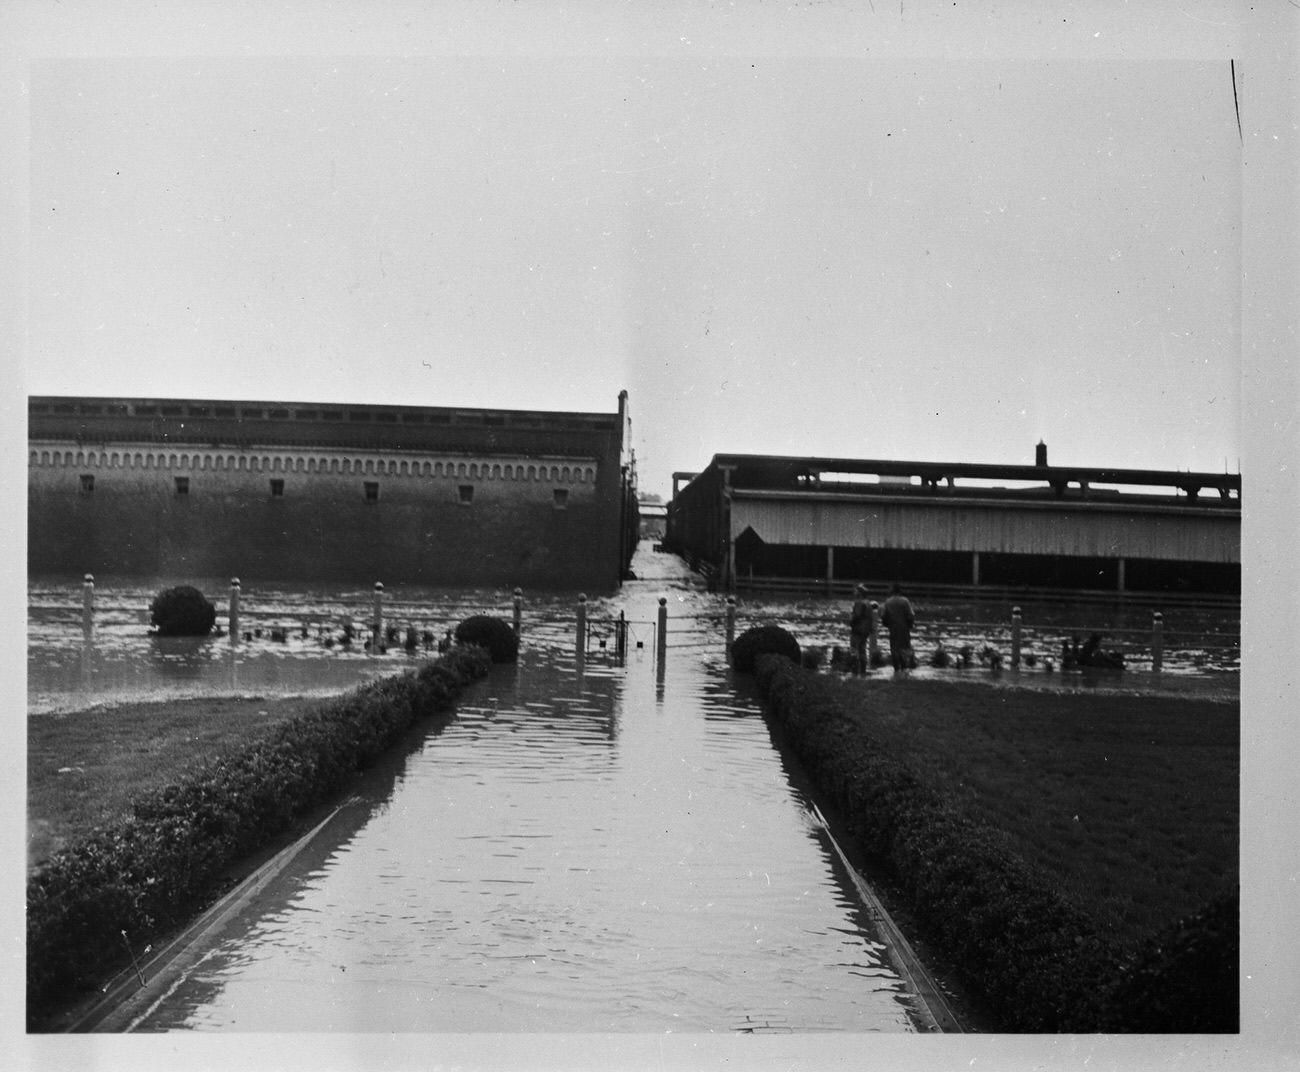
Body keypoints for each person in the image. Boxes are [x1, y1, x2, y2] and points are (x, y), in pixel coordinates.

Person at [880, 582, 916, 676]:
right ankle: (904, 667)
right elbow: (911, 615)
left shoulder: (888, 602)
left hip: (893, 628)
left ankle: (896, 669)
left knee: (894, 648)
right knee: (904, 648)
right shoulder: (905, 601)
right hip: (904, 628)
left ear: (892, 590)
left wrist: (887, 624)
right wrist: (910, 624)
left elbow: (884, 616)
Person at [848, 583, 875, 674]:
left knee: (854, 650)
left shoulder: (859, 603)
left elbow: (856, 616)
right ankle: (863, 671)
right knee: (862, 650)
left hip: (857, 629)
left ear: (860, 593)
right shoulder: (868, 603)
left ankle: (854, 671)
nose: (854, 592)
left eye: (856, 590)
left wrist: (851, 620)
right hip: (866, 630)